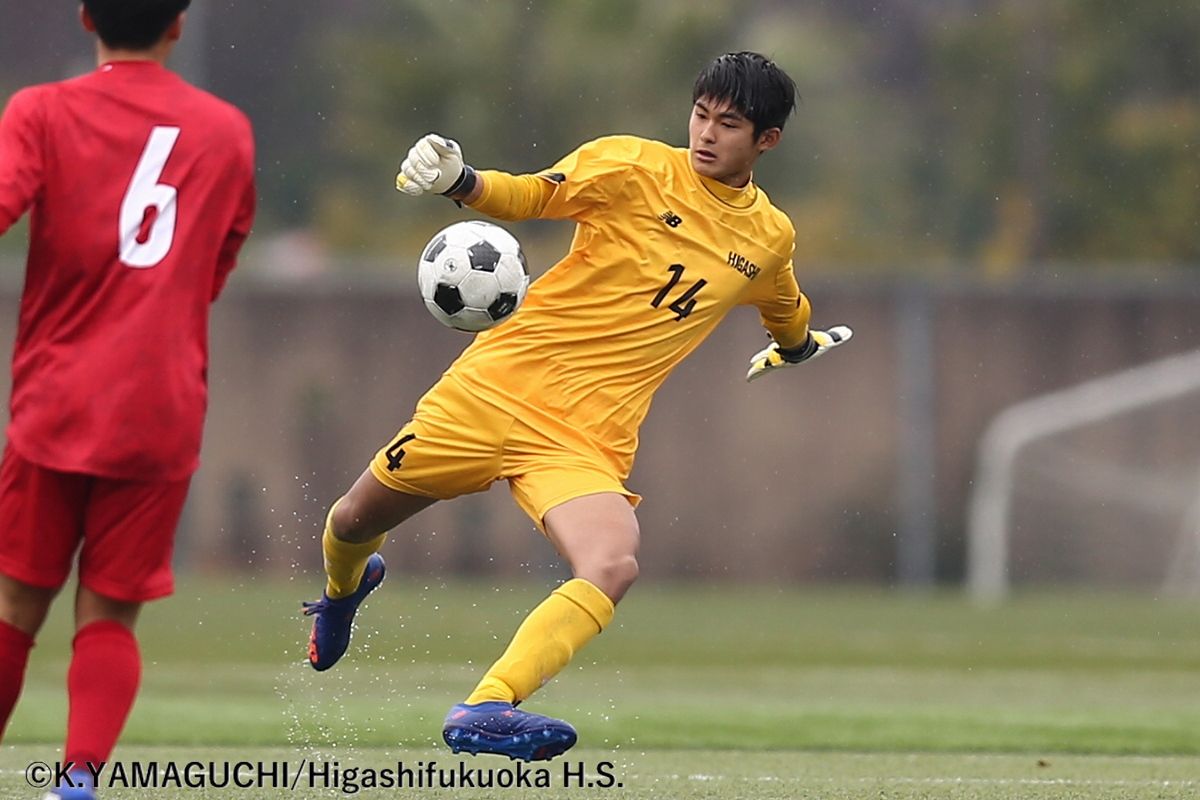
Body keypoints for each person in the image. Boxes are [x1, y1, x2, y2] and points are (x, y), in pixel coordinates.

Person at [302, 51, 850, 762]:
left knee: (614, 564)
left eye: (730, 124)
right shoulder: (631, 166)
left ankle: (488, 706)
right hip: (490, 393)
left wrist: (798, 348)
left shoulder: (768, 237)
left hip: (582, 440)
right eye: (701, 115)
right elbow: (531, 196)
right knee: (351, 520)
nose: (707, 134)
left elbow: (786, 308)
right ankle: (345, 591)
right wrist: (460, 183)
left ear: (766, 141)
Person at [0, 1, 256, 797]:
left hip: (56, 400)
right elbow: (219, 257)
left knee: (15, 601)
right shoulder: (225, 130)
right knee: (109, 614)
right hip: (160, 404)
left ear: (84, 17)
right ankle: (77, 783)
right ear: (178, 23)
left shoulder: (41, 110)